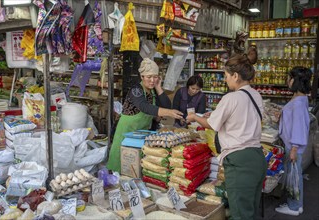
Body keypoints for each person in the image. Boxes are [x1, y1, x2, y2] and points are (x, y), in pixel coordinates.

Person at [186, 53, 267, 220]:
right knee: (250, 211)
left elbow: (212, 125)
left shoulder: (231, 97)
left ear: (235, 76)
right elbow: (237, 119)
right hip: (257, 157)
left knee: (240, 215)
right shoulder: (255, 95)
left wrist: (194, 118)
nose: (225, 80)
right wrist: (214, 115)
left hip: (240, 162)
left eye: (226, 76)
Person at [106, 58, 183, 173]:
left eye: (155, 77)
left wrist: (158, 87)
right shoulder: (136, 90)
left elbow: (166, 104)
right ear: (142, 77)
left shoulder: (152, 91)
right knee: (121, 166)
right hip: (126, 135)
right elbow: (144, 107)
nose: (152, 80)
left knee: (138, 168)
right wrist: (168, 113)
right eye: (149, 77)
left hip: (142, 135)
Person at [275, 67, 312, 216]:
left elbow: (298, 126)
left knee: (293, 177)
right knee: (295, 176)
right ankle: (297, 205)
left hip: (293, 147)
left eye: (289, 78)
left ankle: (293, 207)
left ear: (295, 81)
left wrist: (294, 149)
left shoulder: (298, 102)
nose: (287, 80)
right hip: (293, 146)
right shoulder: (301, 98)